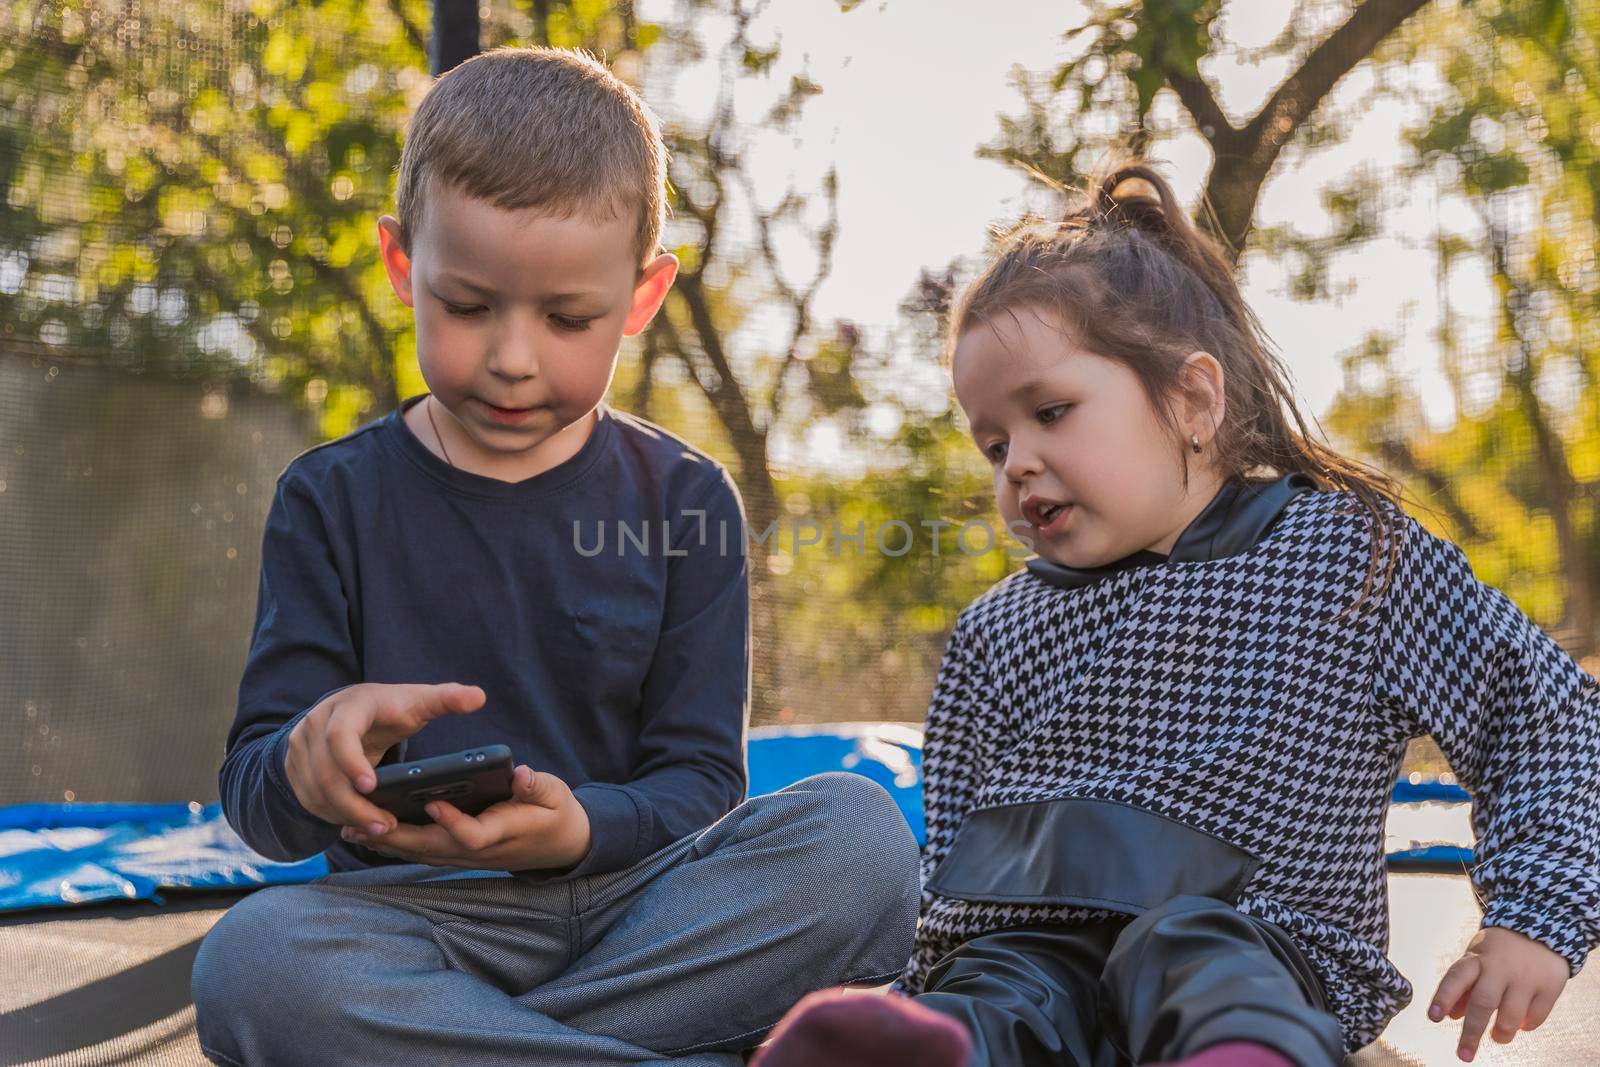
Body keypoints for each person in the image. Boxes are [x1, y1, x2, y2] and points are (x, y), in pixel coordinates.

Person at [753, 162, 1600, 1067]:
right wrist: (928, 982)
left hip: (1252, 937)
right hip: (1030, 946)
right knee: (1000, 986)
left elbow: (1546, 719)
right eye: (994, 443)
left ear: (1194, 401)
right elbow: (952, 861)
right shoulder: (997, 631)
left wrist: (1533, 915)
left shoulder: (1347, 554)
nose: (1017, 465)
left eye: (1052, 412)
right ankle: (935, 1050)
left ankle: (1243, 1057)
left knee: (1197, 953)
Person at [191, 46, 920, 1067]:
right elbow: (260, 801)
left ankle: (481, 1051)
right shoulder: (328, 500)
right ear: (405, 264)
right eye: (468, 303)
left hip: (646, 911)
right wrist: (308, 757)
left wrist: (580, 828)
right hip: (418, 923)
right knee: (254, 963)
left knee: (861, 838)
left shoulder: (687, 500)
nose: (513, 355)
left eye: (567, 317)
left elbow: (702, 783)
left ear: (641, 294)